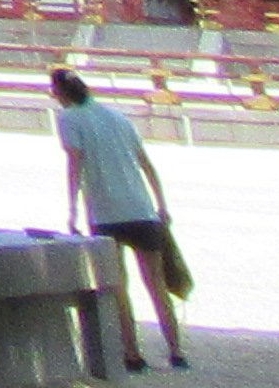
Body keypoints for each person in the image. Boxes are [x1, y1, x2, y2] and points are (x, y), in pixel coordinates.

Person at [51, 68, 190, 372]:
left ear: (59, 93)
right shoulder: (118, 117)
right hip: (141, 209)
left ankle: (132, 353)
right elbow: (145, 164)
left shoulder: (69, 119)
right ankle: (176, 351)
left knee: (118, 286)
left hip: (106, 212)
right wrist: (161, 204)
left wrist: (72, 209)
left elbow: (75, 163)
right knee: (156, 283)